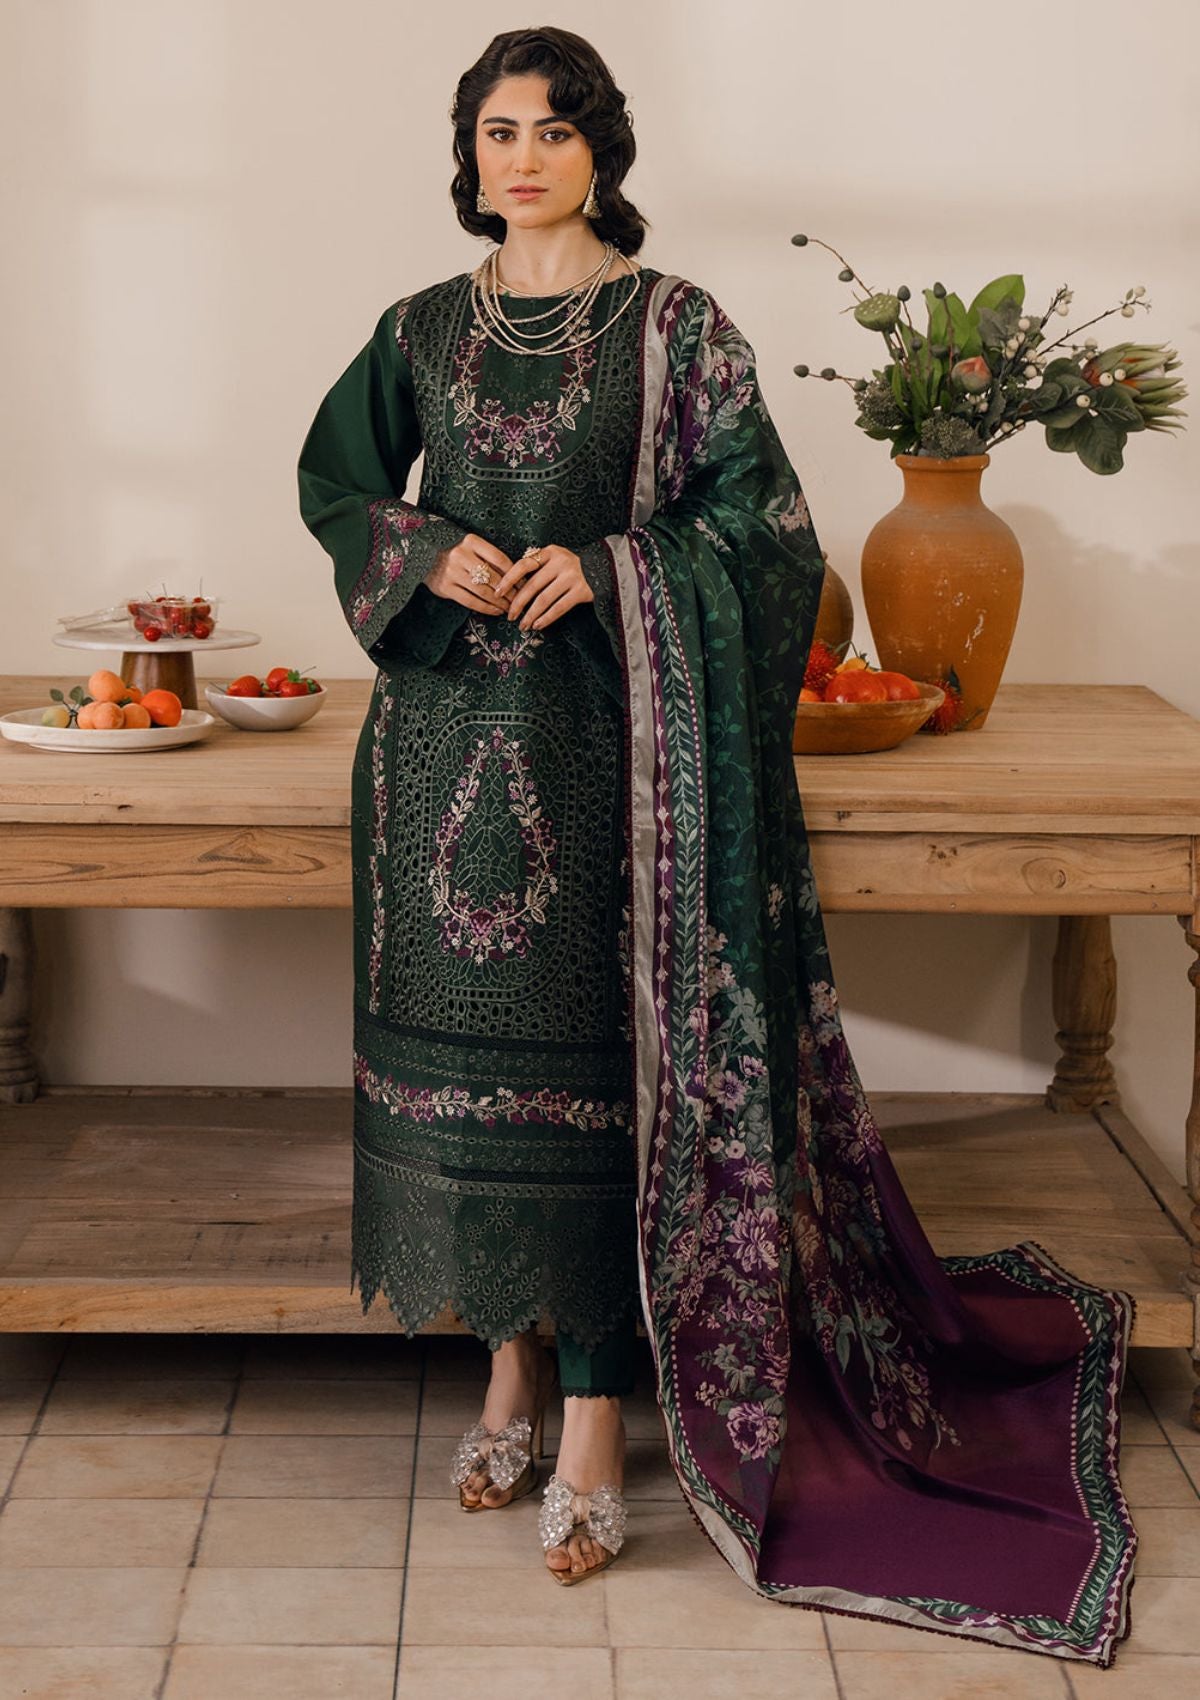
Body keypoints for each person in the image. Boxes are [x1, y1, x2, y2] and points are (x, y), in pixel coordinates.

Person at [298, 25, 1140, 1659]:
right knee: (470, 1097)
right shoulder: (417, 330)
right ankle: (507, 1366)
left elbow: (767, 531)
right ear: (468, 154)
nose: (522, 158)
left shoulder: (679, 330)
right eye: (497, 132)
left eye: (553, 131)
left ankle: (593, 1414)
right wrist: (420, 546)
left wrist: (614, 566)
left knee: (603, 1087)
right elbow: (336, 483)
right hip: (441, 757)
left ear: (601, 149)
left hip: (620, 769)